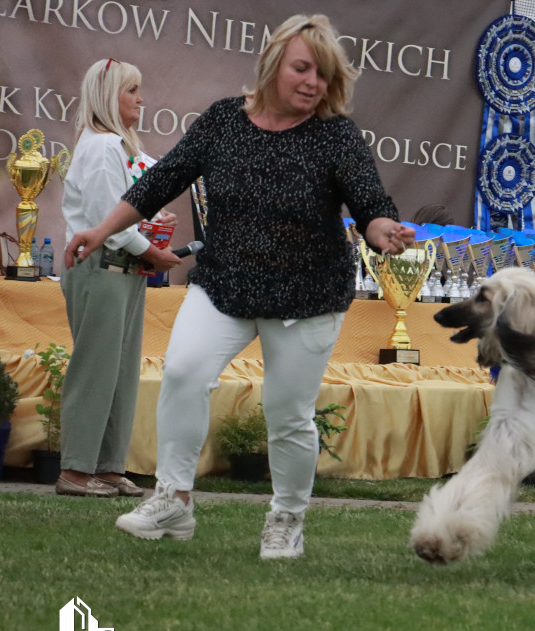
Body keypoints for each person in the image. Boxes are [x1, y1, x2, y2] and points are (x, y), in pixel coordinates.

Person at [64, 15, 415, 557]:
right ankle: (174, 501)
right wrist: (101, 230)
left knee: (287, 412)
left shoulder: (337, 135)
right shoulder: (225, 119)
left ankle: (287, 519)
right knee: (182, 371)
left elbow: (369, 202)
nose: (312, 83)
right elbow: (163, 179)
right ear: (274, 63)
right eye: (302, 68)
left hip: (307, 295)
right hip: (224, 283)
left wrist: (382, 229)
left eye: (322, 75)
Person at [56, 58, 181, 498]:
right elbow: (111, 221)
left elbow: (159, 178)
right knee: (96, 370)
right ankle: (75, 469)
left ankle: (106, 466)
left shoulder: (122, 147)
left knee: (120, 372)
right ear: (110, 95)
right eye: (131, 91)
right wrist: (153, 251)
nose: (140, 99)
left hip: (124, 270)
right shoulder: (103, 147)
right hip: (102, 267)